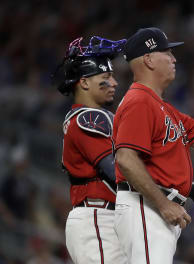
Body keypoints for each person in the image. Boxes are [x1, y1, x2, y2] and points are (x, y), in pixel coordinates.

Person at [112, 27, 194, 264]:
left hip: (152, 207)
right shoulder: (139, 101)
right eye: (167, 53)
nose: (174, 59)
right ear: (149, 59)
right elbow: (126, 159)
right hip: (146, 206)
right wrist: (163, 204)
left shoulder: (161, 106)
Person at [53, 36, 127, 264]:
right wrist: (168, 193)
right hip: (99, 218)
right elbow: (117, 171)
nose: (114, 83)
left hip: (106, 218)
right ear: (84, 83)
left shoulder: (95, 116)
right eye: (106, 77)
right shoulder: (89, 116)